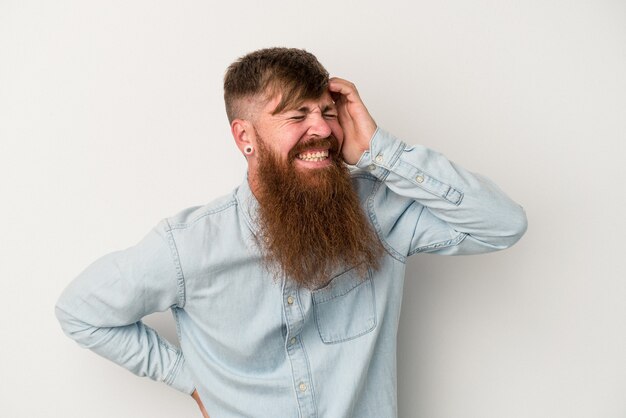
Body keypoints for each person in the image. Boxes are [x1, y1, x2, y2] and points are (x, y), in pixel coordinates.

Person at [56, 47, 527, 418]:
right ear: (245, 137)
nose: (321, 129)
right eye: (297, 117)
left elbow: (503, 224)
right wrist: (189, 378)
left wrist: (380, 152)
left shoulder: (379, 211)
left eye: (327, 112)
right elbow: (81, 312)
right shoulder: (187, 246)